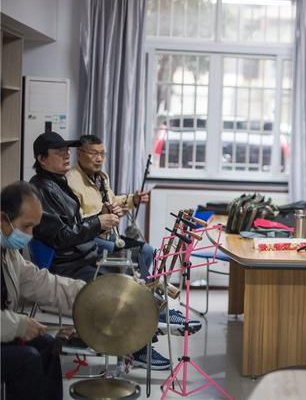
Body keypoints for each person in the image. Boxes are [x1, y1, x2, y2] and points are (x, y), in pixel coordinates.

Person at [28, 132, 199, 370]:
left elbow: (73, 224)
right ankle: (138, 347)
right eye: (59, 153)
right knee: (122, 289)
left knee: (134, 269)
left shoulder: (58, 182)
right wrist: (98, 222)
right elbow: (60, 236)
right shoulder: (41, 190)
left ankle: (154, 317)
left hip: (84, 255)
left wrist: (100, 216)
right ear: (42, 159)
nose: (66, 156)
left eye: (67, 151)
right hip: (69, 264)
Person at [1, 181, 85, 400]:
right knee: (26, 360)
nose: (30, 235)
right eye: (26, 226)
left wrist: (90, 295)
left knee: (48, 345)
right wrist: (18, 325)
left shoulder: (8, 253)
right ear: (3, 219)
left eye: (33, 228)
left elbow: (43, 283)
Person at [67, 135, 154, 281]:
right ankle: (123, 288)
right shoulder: (72, 181)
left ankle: (135, 288)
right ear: (80, 154)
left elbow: (112, 200)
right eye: (94, 153)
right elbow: (76, 222)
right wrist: (102, 215)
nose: (99, 159)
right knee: (126, 255)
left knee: (147, 250)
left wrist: (133, 199)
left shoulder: (101, 177)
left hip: (109, 236)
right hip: (90, 240)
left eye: (102, 154)